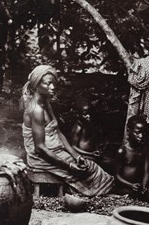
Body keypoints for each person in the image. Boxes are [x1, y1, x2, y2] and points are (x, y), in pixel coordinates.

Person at [21, 65, 114, 197]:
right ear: (37, 84)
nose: (52, 87)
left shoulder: (45, 102)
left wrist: (76, 156)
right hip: (40, 157)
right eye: (48, 83)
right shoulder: (36, 110)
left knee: (88, 165)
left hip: (55, 151)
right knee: (87, 170)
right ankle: (84, 191)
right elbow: (40, 148)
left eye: (54, 83)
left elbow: (58, 132)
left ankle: (92, 189)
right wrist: (69, 166)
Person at [69, 98, 103, 162]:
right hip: (83, 155)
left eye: (89, 113)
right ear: (78, 115)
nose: (88, 116)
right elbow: (73, 146)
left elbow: (92, 139)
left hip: (91, 153)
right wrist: (91, 154)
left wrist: (96, 150)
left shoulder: (88, 124)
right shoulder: (78, 128)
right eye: (85, 114)